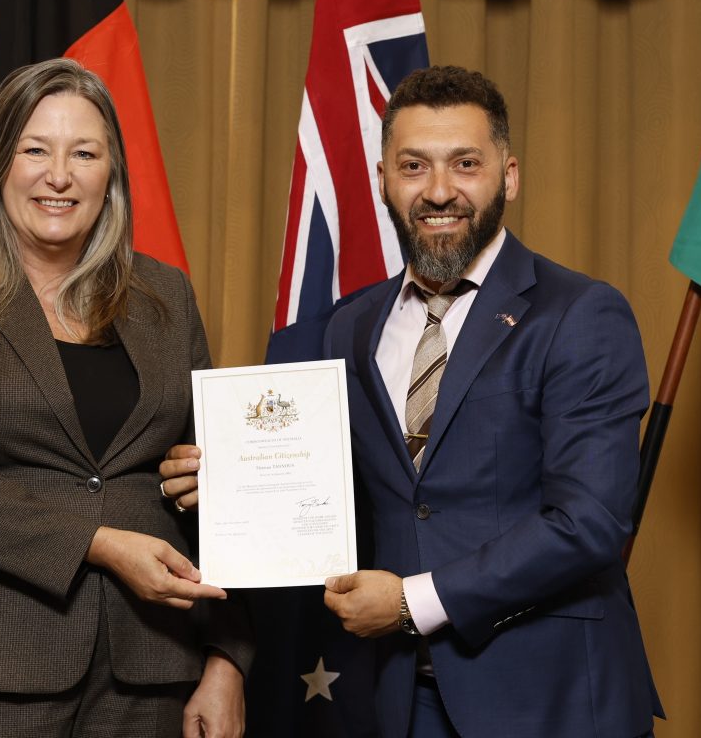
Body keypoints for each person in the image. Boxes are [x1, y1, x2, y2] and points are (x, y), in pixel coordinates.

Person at [164, 66, 663, 737]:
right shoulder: (352, 326)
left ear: (508, 176)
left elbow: (590, 521)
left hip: (551, 699)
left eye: (465, 164)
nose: (438, 191)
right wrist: (226, 482)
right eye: (413, 165)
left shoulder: (580, 314)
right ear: (382, 180)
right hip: (397, 699)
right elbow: (327, 488)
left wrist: (410, 602)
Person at [0, 58, 250, 738]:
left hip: (153, 668)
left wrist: (228, 661)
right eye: (35, 150)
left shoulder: (165, 297)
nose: (59, 175)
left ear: (111, 173)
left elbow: (221, 489)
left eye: (85, 152)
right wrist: (101, 543)